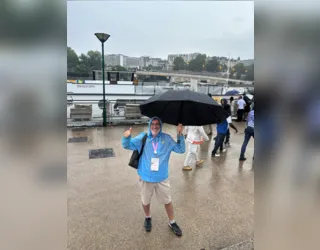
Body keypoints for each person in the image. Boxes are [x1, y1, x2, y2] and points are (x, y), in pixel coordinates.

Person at [122, 117, 185, 236]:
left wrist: (180, 134)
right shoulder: (143, 138)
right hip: (146, 177)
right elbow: (127, 145)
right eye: (153, 124)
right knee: (145, 201)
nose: (155, 126)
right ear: (149, 125)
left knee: (167, 201)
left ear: (160, 126)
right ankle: (147, 217)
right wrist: (126, 137)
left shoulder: (166, 139)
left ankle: (172, 221)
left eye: (157, 124)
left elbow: (181, 149)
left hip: (162, 177)